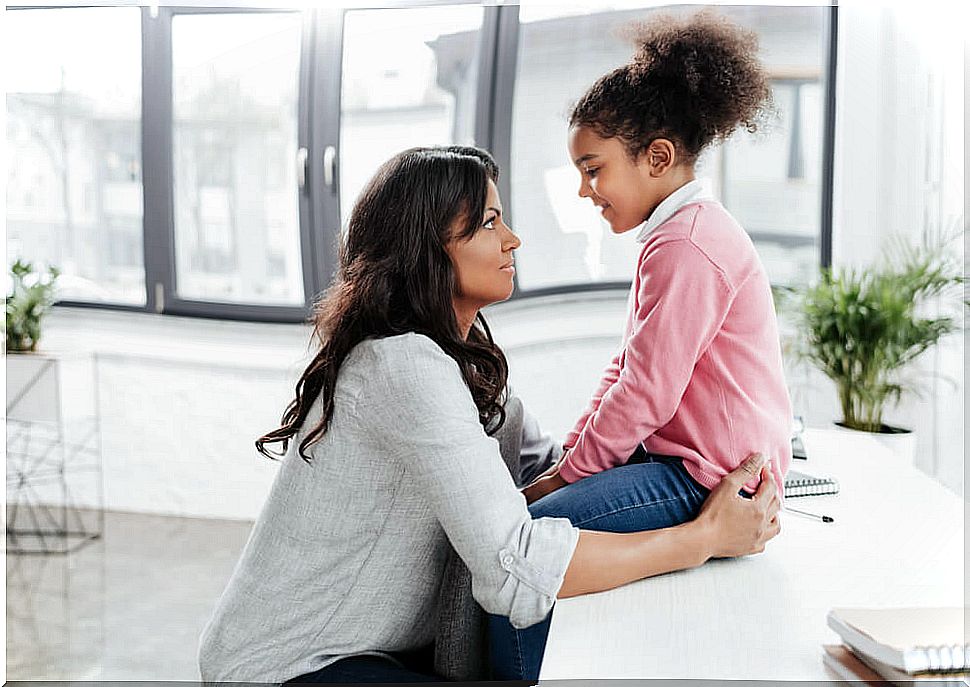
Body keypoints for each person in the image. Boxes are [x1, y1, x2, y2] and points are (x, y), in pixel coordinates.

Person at [197, 145, 781, 685]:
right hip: (289, 667)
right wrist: (702, 537)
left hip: (373, 652)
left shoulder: (460, 363)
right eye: (488, 223)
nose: (513, 240)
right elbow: (515, 566)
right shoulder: (401, 366)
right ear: (426, 247)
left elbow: (551, 473)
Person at [494, 11, 795, 680]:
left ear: (657, 156)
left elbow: (645, 392)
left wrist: (564, 477)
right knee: (537, 507)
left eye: (593, 168)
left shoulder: (687, 244)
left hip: (703, 479)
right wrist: (574, 455)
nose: (583, 189)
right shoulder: (677, 235)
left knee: (526, 546)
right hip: (690, 466)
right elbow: (628, 365)